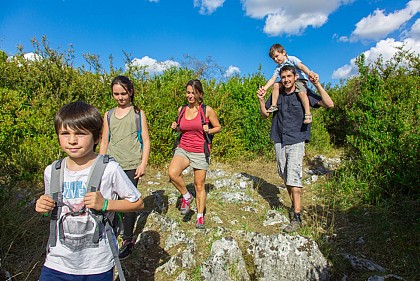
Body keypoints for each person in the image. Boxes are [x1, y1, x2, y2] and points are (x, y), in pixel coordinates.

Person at [35, 101, 144, 280]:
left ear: (96, 137)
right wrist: (43, 208)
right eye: (65, 133)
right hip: (56, 263)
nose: (72, 140)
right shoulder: (52, 171)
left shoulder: (109, 169)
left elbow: (138, 203)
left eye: (80, 133)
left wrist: (106, 204)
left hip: (97, 265)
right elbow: (53, 211)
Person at [257, 65, 334, 233]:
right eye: (283, 77)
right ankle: (294, 206)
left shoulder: (303, 93)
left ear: (295, 76)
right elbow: (265, 114)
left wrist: (318, 85)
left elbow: (329, 103)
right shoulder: (277, 94)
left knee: (294, 176)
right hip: (278, 138)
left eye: (289, 76)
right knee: (284, 174)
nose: (286, 80)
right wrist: (262, 100)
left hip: (297, 139)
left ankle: (297, 217)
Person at [99, 75, 150, 260]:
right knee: (110, 200)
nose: (120, 97)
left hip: (131, 164)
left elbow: (145, 139)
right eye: (116, 94)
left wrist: (143, 163)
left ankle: (127, 240)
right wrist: (100, 163)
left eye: (123, 93)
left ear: (131, 92)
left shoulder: (138, 113)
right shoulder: (108, 114)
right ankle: (111, 233)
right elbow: (105, 140)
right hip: (111, 164)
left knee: (128, 203)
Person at [168, 79, 221, 229]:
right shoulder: (182, 110)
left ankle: (199, 216)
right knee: (173, 173)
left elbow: (218, 127)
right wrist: (175, 127)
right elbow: (181, 128)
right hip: (183, 148)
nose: (190, 96)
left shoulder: (207, 110)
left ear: (200, 94)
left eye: (194, 93)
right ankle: (186, 196)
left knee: (199, 185)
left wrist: (208, 130)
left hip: (200, 151)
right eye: (188, 92)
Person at [259, 43, 319, 124]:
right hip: (287, 82)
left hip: (299, 80)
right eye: (273, 59)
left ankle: (308, 113)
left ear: (283, 52)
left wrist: (310, 73)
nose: (276, 60)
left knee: (301, 93)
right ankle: (274, 105)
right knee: (276, 85)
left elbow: (301, 66)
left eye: (277, 56)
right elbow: (273, 79)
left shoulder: (291, 59)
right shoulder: (278, 68)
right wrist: (264, 89)